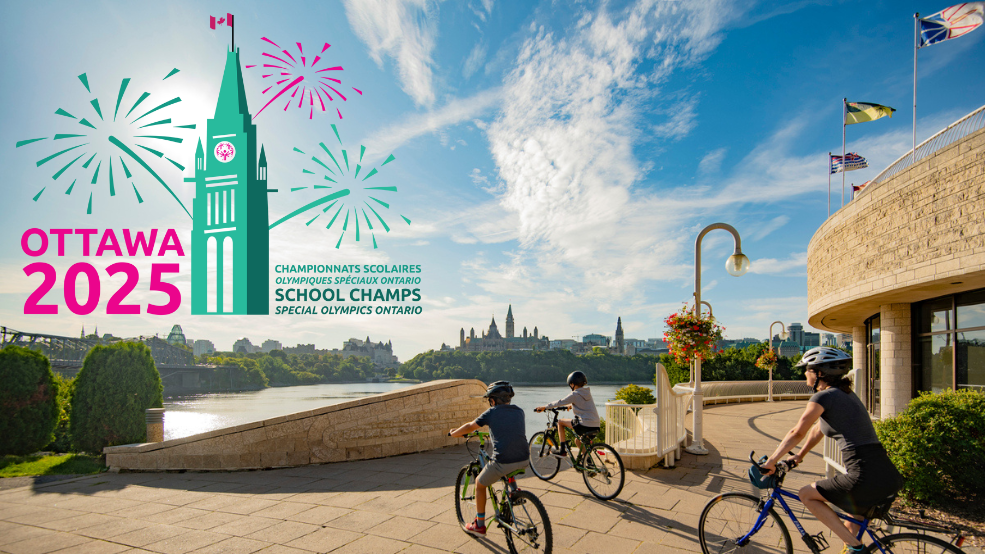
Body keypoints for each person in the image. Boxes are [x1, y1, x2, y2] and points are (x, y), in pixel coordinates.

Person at [760, 347, 903, 554]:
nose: (804, 373)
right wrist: (799, 455)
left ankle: (857, 547)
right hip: (886, 473)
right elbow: (818, 429)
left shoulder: (823, 398)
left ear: (819, 373)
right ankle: (853, 547)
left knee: (806, 494)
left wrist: (771, 461)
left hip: (863, 474)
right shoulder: (844, 394)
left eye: (807, 369)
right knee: (851, 523)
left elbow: (797, 431)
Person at [449, 380, 528, 537]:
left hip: (504, 462)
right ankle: (513, 492)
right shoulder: (519, 411)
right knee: (510, 459)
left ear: (493, 400)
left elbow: (470, 426)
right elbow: (510, 433)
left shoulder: (492, 412)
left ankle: (479, 525)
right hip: (525, 458)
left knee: (479, 483)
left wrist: (454, 433)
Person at [534, 371, 600, 456]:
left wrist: (545, 407)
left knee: (560, 422)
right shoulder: (587, 393)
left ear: (572, 384)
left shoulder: (575, 394)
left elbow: (560, 402)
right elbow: (584, 405)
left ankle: (562, 450)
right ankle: (588, 462)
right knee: (578, 441)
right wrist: (572, 405)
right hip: (595, 425)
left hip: (585, 424)